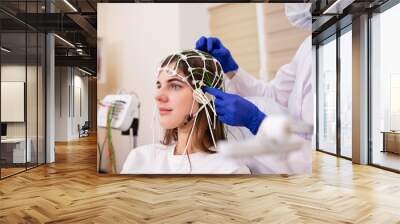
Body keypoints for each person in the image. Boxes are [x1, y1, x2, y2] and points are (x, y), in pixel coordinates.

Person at [195, 3, 313, 174]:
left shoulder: (354, 43)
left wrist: (257, 121)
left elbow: (313, 159)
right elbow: (275, 95)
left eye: (175, 85)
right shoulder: (307, 46)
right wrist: (231, 70)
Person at [121, 49, 250, 174]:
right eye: (159, 85)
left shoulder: (229, 170)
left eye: (175, 86)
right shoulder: (140, 159)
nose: (158, 96)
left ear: (206, 95)